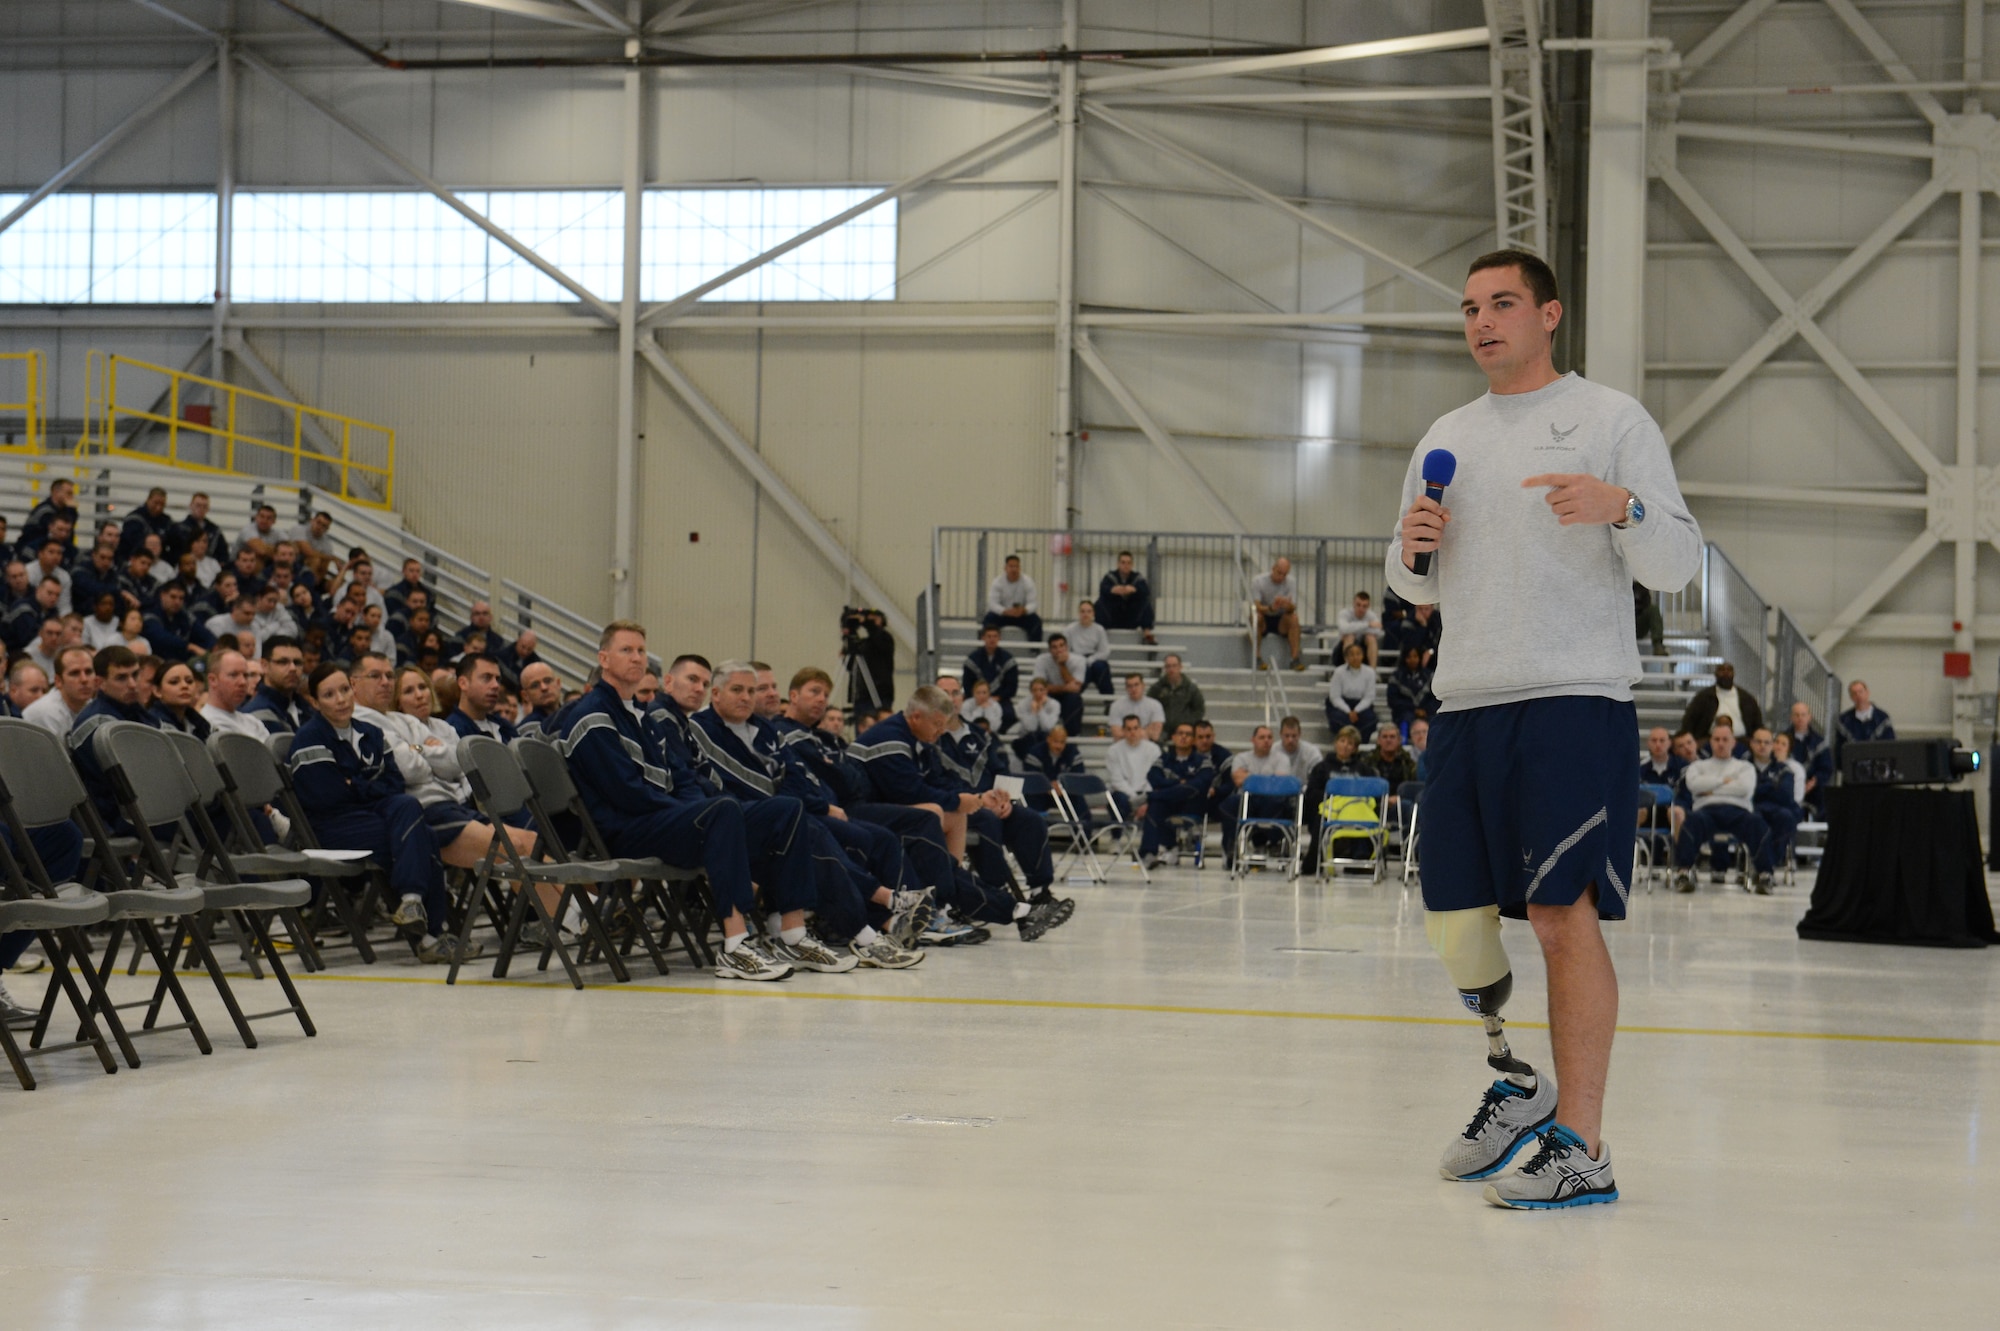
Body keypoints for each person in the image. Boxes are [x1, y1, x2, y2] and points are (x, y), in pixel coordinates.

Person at [1388, 247, 1701, 1210]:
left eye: (1504, 303)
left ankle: (1586, 1147)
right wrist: (1408, 551)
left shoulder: (1610, 420)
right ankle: (1519, 1085)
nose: (1483, 320)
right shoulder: (1446, 434)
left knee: (1564, 918)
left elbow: (1677, 559)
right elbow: (1410, 581)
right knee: (1456, 922)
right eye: (1471, 307)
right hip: (1469, 701)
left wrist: (1625, 506)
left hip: (1572, 699)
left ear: (1550, 313)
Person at [289, 664, 474, 965]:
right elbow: (328, 796)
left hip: (373, 815)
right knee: (422, 835)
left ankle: (415, 908)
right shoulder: (309, 739)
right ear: (315, 702)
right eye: (329, 694)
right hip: (331, 827)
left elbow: (395, 782)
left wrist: (356, 784)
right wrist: (368, 786)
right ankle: (428, 931)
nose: (340, 699)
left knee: (407, 806)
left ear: (352, 689)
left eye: (344, 690)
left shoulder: (371, 732)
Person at [1674, 721, 1775, 894]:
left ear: (1733, 742)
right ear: (1710, 742)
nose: (1721, 743)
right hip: (1706, 811)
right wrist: (1724, 781)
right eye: (1717, 739)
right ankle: (1684, 872)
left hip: (1738, 811)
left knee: (1757, 823)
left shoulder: (1745, 767)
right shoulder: (1697, 766)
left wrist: (1709, 788)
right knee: (1691, 822)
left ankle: (1765, 875)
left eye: (1725, 739)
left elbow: (1745, 789)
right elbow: (1694, 785)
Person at [1219, 724, 1292, 869]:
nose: (1266, 741)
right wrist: (1268, 779)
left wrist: (1251, 778)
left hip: (1271, 800)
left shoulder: (1282, 758)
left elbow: (1279, 784)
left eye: (1269, 737)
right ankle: (1231, 846)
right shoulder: (1241, 757)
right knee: (1230, 804)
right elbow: (1239, 780)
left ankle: (1265, 844)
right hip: (1247, 799)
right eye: (1262, 737)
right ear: (1253, 740)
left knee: (1276, 803)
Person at [1141, 722, 1212, 867]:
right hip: (1167, 803)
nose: (1184, 737)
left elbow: (1198, 785)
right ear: (1173, 737)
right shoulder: (1163, 759)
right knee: (1156, 806)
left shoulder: (1203, 761)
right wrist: (1179, 783)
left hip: (1192, 804)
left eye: (1188, 734)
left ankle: (1149, 798)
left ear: (1193, 739)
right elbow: (1153, 778)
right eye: (1180, 733)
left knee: (1180, 792)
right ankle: (1150, 853)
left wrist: (1166, 788)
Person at [1748, 727, 1801, 866]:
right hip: (1752, 808)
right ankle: (1761, 863)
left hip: (1778, 809)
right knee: (1753, 818)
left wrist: (1759, 787)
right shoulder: (1743, 767)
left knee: (1786, 817)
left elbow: (1785, 795)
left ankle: (1770, 862)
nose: (1762, 746)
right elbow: (1745, 792)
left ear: (1772, 745)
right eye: (1758, 742)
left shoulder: (1784, 769)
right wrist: (1772, 786)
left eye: (1766, 742)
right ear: (1752, 744)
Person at [198, 648, 275, 739]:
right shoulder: (205, 725)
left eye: (245, 675)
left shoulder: (254, 722)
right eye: (233, 675)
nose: (242, 682)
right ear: (213, 680)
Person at [1679, 661, 1763, 742]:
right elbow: (1689, 721)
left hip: (1741, 742)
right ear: (1715, 674)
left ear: (1734, 674)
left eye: (1729, 670)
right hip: (1710, 741)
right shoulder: (1704, 697)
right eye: (1722, 670)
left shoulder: (1747, 699)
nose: (1726, 673)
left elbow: (1757, 723)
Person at [22, 645, 95, 737]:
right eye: (74, 673)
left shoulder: (92, 706)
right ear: (58, 681)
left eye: (88, 672)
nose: (84, 679)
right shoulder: (45, 712)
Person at [241, 635, 308, 734]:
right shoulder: (255, 715)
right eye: (283, 662)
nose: (293, 668)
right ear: (264, 665)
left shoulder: (307, 708)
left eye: (297, 662)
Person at [1103, 714, 1159, 825]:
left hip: (1146, 792)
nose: (1132, 732)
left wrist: (1143, 799)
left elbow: (1155, 778)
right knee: (1117, 800)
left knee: (1159, 799)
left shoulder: (1153, 750)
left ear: (1141, 729)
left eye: (1135, 728)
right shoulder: (1113, 751)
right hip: (1124, 793)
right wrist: (1135, 800)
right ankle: (1117, 836)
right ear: (1123, 731)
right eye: (1128, 729)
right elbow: (1117, 781)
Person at [1251, 556, 1305, 670]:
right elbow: (1257, 606)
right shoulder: (1258, 581)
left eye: (1284, 575)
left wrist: (1287, 605)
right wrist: (1271, 608)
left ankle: (1295, 659)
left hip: (1281, 619)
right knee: (1255, 618)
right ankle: (1257, 657)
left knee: (1294, 619)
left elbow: (1292, 607)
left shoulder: (1291, 582)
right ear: (1273, 569)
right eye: (1279, 573)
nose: (1281, 577)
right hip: (1265, 616)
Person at [961, 625, 1019, 728]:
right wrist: (978, 697)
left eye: (995, 636)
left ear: (999, 638)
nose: (992, 639)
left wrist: (997, 697)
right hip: (975, 697)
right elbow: (967, 683)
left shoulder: (1008, 660)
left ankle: (996, 736)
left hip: (1000, 698)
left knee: (1009, 715)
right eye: (989, 636)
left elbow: (1012, 686)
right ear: (983, 638)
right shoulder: (972, 659)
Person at [1029, 633, 1088, 733]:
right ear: (1050, 650)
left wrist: (1062, 665)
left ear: (1067, 647)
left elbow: (1076, 688)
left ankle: (1072, 736)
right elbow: (1038, 686)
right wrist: (1065, 688)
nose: (1059, 650)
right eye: (1054, 647)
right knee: (1039, 696)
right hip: (1049, 694)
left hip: (1068, 696)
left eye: (1061, 646)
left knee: (1074, 699)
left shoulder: (1079, 660)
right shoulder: (1041, 660)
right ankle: (1043, 734)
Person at [1095, 549, 1155, 643]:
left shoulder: (1137, 577)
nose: (1126, 565)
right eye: (1123, 562)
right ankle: (1100, 634)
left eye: (1128, 563)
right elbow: (1103, 588)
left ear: (1132, 565)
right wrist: (1113, 590)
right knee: (1100, 603)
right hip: (1113, 617)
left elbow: (1146, 591)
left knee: (1145, 602)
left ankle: (1147, 634)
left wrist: (1134, 589)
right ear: (1118, 564)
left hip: (1131, 617)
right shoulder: (1110, 577)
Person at [1060, 600, 1114, 695]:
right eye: (1083, 611)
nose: (1086, 614)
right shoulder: (1069, 629)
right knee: (1083, 670)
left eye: (1089, 611)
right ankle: (1074, 696)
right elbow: (1065, 651)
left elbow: (1105, 651)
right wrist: (1079, 661)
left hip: (1094, 660)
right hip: (1076, 660)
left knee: (1101, 667)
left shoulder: (1099, 629)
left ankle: (1108, 701)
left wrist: (1090, 660)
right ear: (1078, 613)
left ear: (1093, 613)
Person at [1326, 641, 1379, 739]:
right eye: (1351, 655)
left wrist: (1356, 710)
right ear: (1346, 658)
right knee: (1339, 719)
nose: (1355, 657)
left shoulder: (1370, 672)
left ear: (1363, 655)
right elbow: (1335, 697)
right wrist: (1348, 711)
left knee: (1370, 719)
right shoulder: (1338, 672)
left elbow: (1369, 697)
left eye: (1358, 654)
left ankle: (1361, 744)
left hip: (1361, 704)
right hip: (1342, 704)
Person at [983, 554, 1041, 641]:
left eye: (1016, 566)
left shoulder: (1028, 582)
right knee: (989, 619)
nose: (1014, 569)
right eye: (1011, 566)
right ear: (1005, 568)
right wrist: (1004, 611)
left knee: (1036, 622)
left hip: (1022, 615)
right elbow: (992, 603)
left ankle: (1034, 651)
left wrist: (1024, 610)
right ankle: (984, 647)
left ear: (1019, 568)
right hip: (1003, 615)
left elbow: (1033, 603)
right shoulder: (997, 582)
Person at [149, 659, 210, 737]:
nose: (184, 686)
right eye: (174, 682)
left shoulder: (201, 724)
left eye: (189, 681)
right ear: (157, 691)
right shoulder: (152, 725)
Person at [1147, 654, 1204, 738]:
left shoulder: (1191, 689)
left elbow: (1199, 710)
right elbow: (1149, 707)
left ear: (1180, 667)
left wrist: (1188, 724)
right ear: (1165, 668)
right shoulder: (1156, 688)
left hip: (1184, 730)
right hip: (1162, 729)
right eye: (1168, 666)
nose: (1171, 669)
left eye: (1174, 666)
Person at [1836, 679, 1895, 758]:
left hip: (1878, 764)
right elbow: (1839, 748)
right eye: (1854, 693)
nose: (1858, 695)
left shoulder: (1882, 718)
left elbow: (1890, 745)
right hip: (1852, 765)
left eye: (1861, 692)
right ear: (1851, 697)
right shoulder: (1843, 721)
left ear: (1867, 693)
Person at [1008, 676, 1062, 759]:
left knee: (1045, 739)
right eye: (1035, 690)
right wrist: (1033, 712)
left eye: (1041, 690)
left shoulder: (1054, 705)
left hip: (1047, 737)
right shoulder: (1022, 704)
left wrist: (1040, 710)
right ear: (1031, 691)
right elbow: (1031, 728)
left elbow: (1047, 727)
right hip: (1027, 738)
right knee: (1027, 740)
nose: (1038, 693)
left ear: (1046, 690)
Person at [1387, 645, 1436, 734]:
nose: (1412, 660)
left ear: (1420, 657)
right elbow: (1392, 700)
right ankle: (1404, 741)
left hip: (1427, 712)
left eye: (1415, 656)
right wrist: (1413, 709)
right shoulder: (1397, 677)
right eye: (1409, 657)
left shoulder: (1429, 676)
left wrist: (1426, 710)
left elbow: (1435, 698)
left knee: (1435, 720)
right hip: (1404, 713)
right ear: (1404, 658)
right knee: (1406, 719)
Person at [1106, 672, 1165, 742]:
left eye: (1136, 685)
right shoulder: (1116, 706)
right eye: (1129, 686)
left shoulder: (1155, 705)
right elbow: (1117, 735)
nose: (1133, 689)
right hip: (1124, 748)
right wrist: (1144, 732)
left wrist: (1128, 733)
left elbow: (1155, 734)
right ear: (1126, 688)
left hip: (1149, 747)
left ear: (1143, 686)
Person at [516, 661, 564, 740]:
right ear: (525, 695)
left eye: (548, 681)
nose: (544, 688)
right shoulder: (527, 730)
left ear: (558, 683)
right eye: (535, 685)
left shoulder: (573, 717)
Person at [1336, 591, 1383, 667]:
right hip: (1342, 653)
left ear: (1368, 606)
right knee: (1349, 637)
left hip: (1364, 652)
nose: (1361, 608)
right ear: (1353, 604)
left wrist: (1352, 628)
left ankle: (1372, 672)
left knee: (1371, 638)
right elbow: (1343, 629)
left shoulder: (1372, 615)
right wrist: (1368, 624)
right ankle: (1348, 670)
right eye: (1358, 605)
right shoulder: (1344, 613)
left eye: (1364, 606)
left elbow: (1377, 631)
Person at [1276, 714, 1322, 781]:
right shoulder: (1272, 751)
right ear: (1280, 734)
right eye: (1287, 736)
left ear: (1300, 734)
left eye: (1294, 736)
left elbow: (1319, 778)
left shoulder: (1312, 752)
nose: (1290, 740)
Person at [1633, 582, 1665, 657]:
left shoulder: (1641, 587)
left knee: (1653, 609)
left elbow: (1647, 603)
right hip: (1624, 626)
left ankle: (1658, 645)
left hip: (1639, 624)